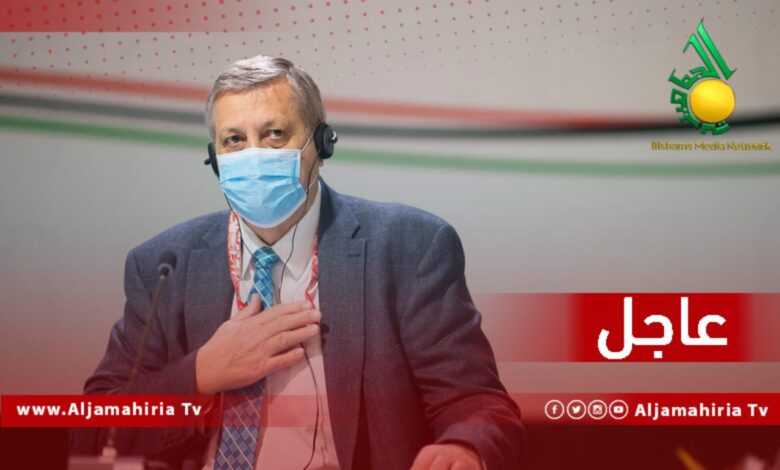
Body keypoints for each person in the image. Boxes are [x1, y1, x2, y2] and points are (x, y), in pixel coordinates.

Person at [71, 55, 526, 470]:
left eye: (274, 134)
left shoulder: (408, 248)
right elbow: (95, 431)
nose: (253, 155)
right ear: (215, 159)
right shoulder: (164, 265)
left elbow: (476, 403)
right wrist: (200, 373)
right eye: (234, 140)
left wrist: (464, 448)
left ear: (322, 144)